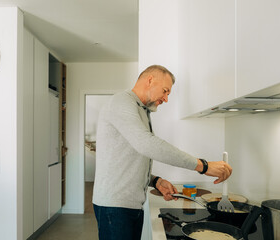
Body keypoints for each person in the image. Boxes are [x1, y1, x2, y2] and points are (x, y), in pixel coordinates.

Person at [92, 65, 232, 240]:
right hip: (115, 207)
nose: (166, 99)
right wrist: (203, 166)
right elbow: (147, 144)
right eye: (165, 91)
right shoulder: (121, 102)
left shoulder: (140, 109)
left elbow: (127, 159)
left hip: (127, 205)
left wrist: (156, 181)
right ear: (150, 80)